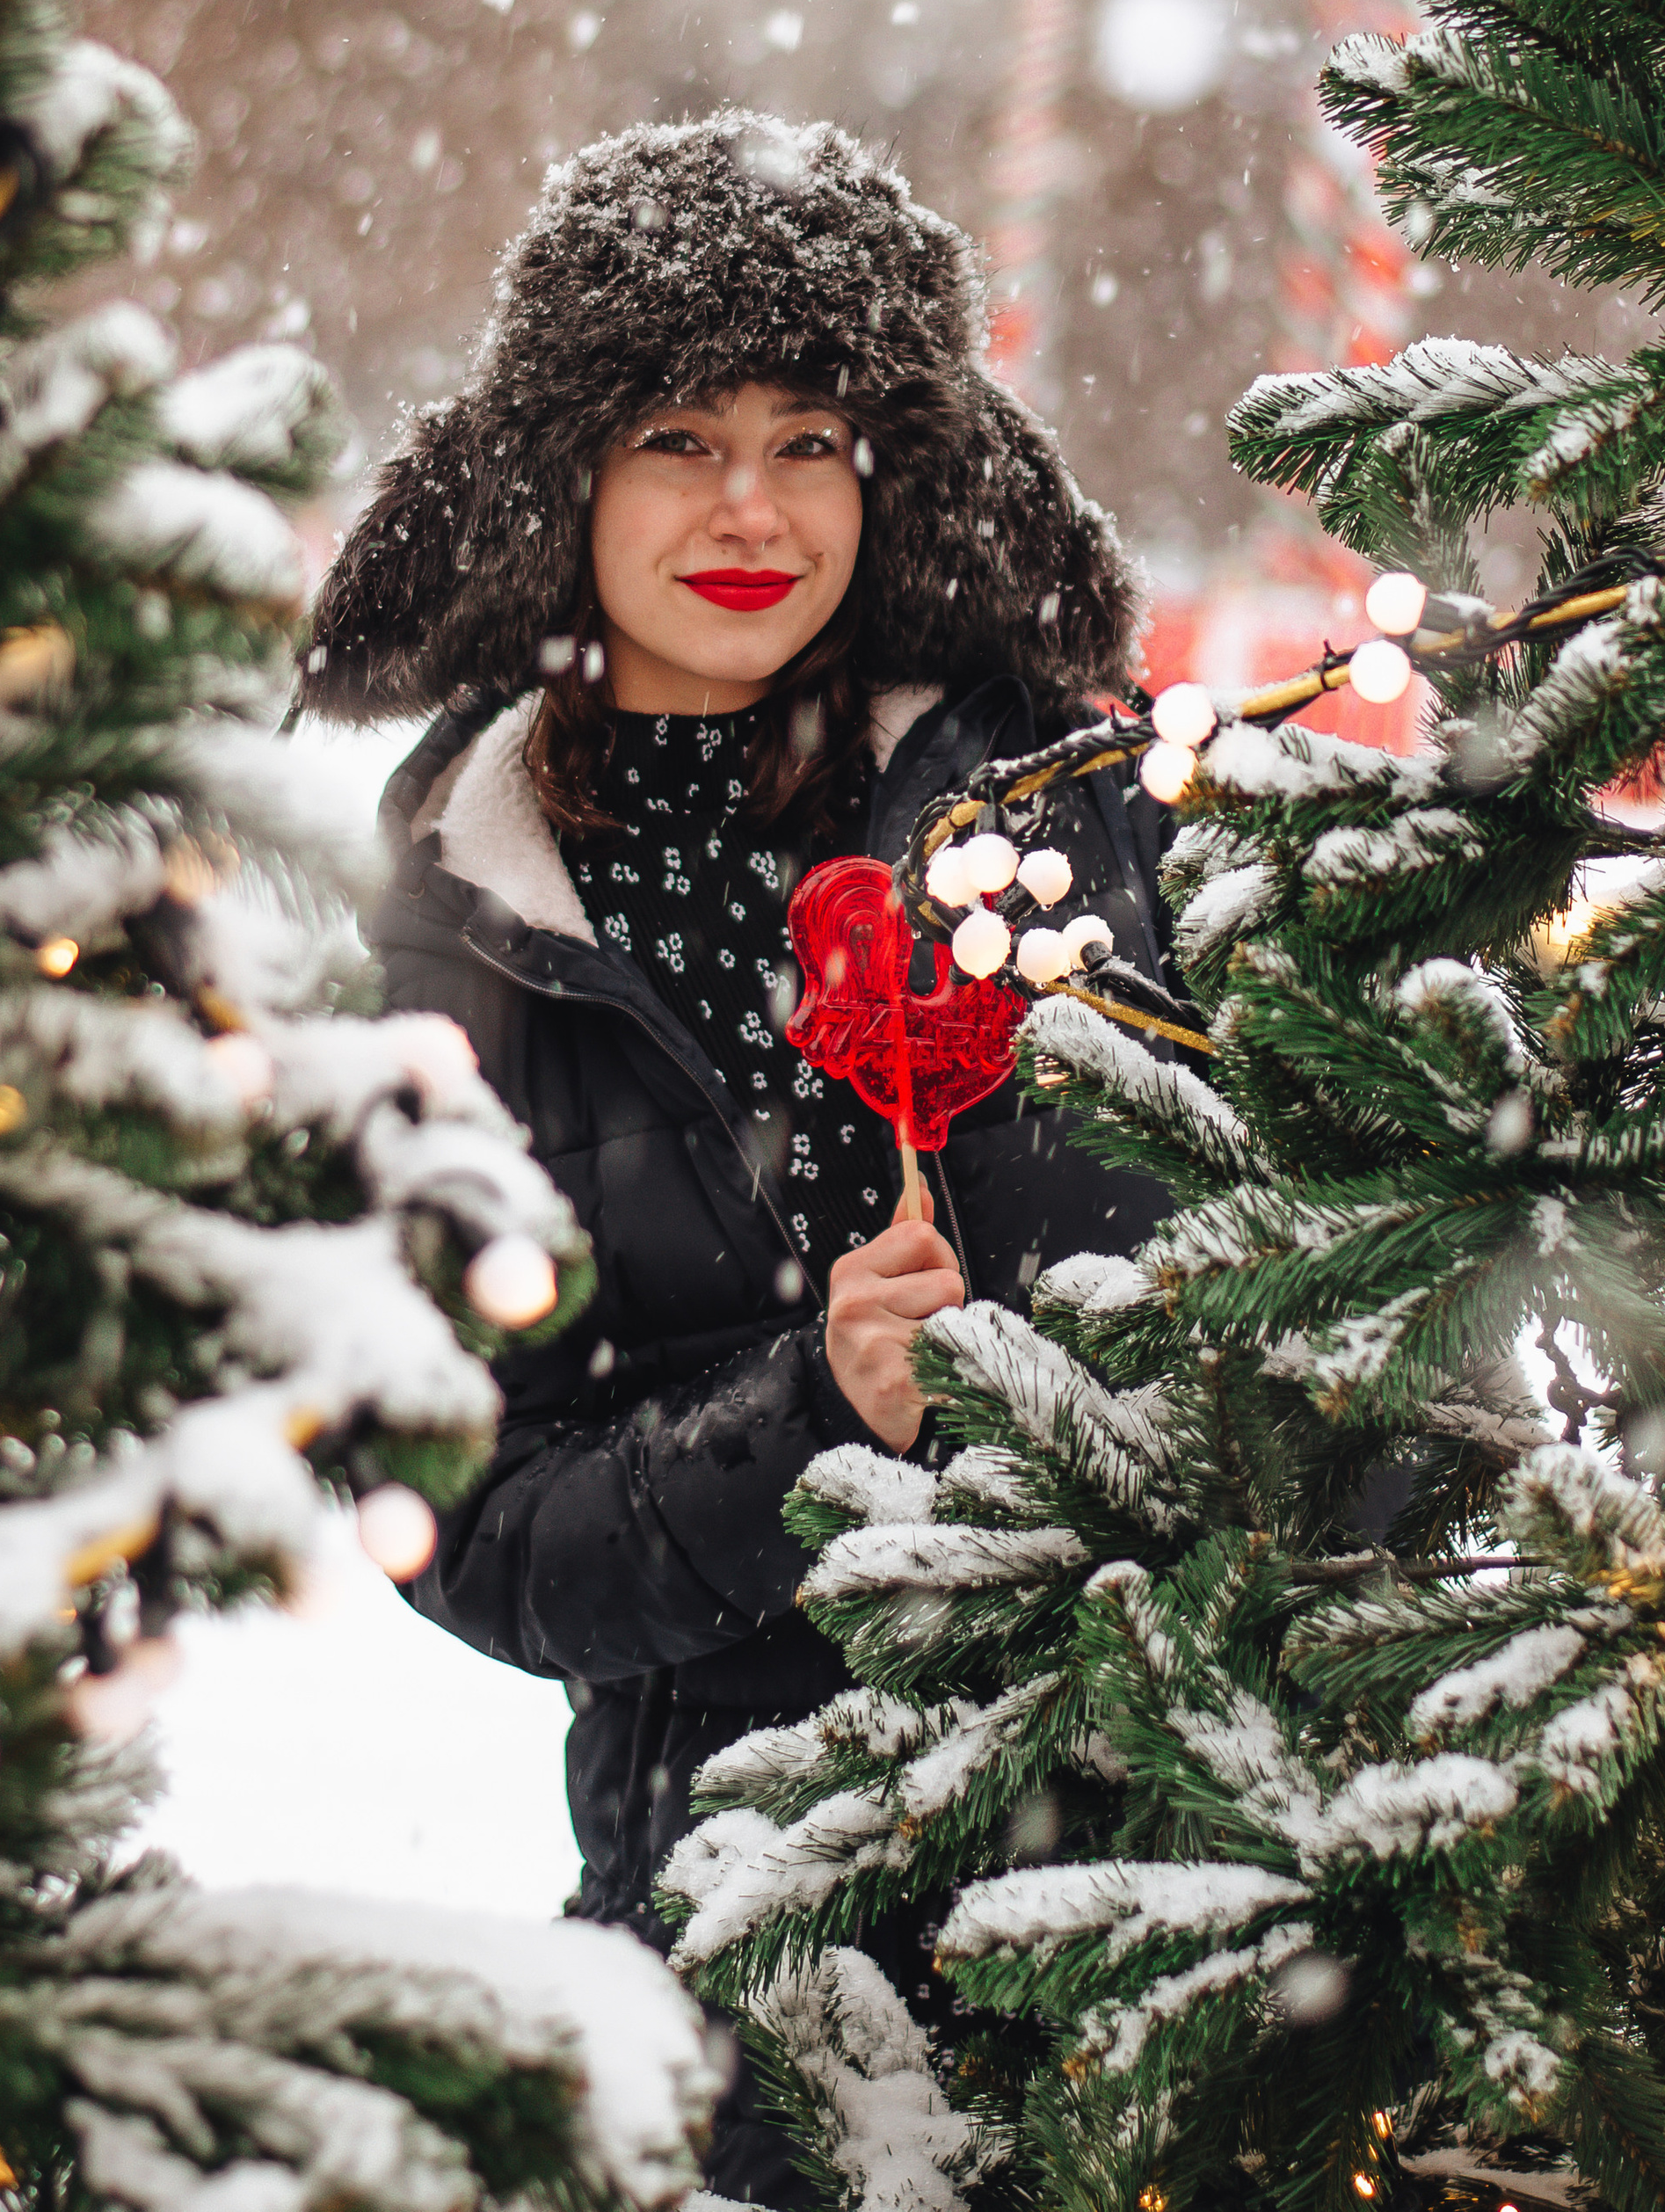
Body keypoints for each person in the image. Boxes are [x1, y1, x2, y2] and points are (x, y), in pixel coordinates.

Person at [299, 112, 1173, 2201]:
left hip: (1184, 1879)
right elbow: (467, 1527)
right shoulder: (453, 942)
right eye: (678, 441)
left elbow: (1323, 1261)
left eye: (807, 442)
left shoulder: (1064, 817)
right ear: (567, 476)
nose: (751, 509)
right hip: (756, 1934)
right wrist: (813, 1419)